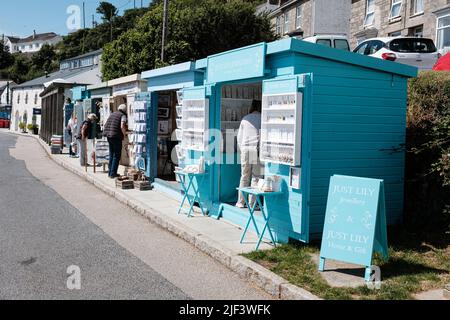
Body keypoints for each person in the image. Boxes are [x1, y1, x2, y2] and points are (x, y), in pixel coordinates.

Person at [236, 100, 263, 208]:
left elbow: (239, 137)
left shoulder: (245, 118)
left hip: (245, 149)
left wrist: (242, 149)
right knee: (255, 176)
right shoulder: (262, 118)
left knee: (244, 176)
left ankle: (240, 202)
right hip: (256, 149)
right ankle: (252, 203)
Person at [103, 104, 128, 179]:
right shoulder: (123, 115)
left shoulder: (112, 114)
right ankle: (113, 173)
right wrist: (124, 134)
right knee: (116, 155)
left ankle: (110, 172)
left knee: (111, 154)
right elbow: (122, 126)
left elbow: (105, 125)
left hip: (109, 136)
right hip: (116, 137)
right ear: (124, 110)